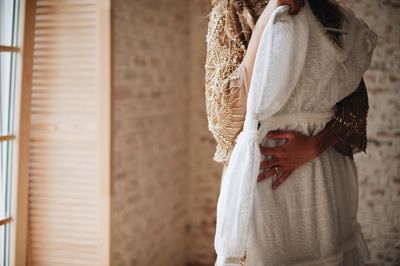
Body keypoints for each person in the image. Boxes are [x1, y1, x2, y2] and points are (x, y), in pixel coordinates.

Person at [204, 0, 377, 265]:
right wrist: (270, 14)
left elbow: (355, 105)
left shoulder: (329, 12)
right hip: (263, 185)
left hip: (325, 177)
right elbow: (225, 118)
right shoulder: (233, 12)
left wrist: (314, 146)